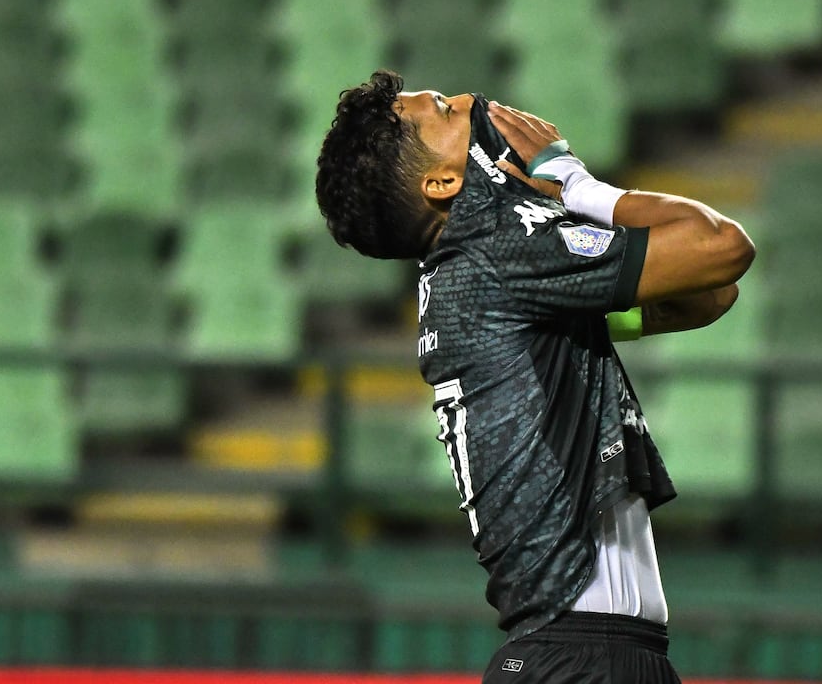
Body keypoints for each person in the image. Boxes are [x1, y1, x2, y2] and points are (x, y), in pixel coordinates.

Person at [315, 70, 754, 683]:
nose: (467, 101)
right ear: (440, 182)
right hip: (583, 657)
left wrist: (557, 210)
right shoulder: (497, 253)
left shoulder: (473, 273)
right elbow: (722, 247)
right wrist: (575, 183)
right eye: (443, 108)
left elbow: (707, 293)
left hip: (580, 653)